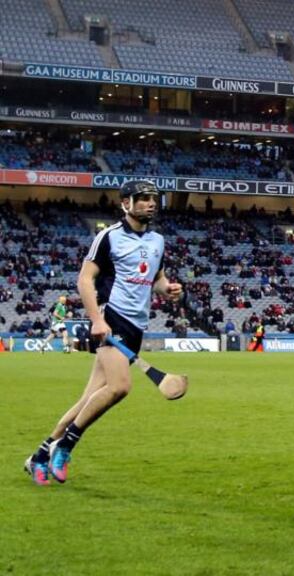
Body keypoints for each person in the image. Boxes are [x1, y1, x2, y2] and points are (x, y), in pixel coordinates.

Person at [23, 180, 182, 486]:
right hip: (112, 318)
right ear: (126, 203)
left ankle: (39, 456)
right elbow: (84, 280)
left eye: (154, 198)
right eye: (144, 198)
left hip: (137, 324)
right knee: (120, 387)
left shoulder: (158, 241)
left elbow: (157, 279)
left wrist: (169, 289)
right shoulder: (109, 237)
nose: (151, 203)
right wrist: (97, 320)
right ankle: (65, 447)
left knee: (88, 399)